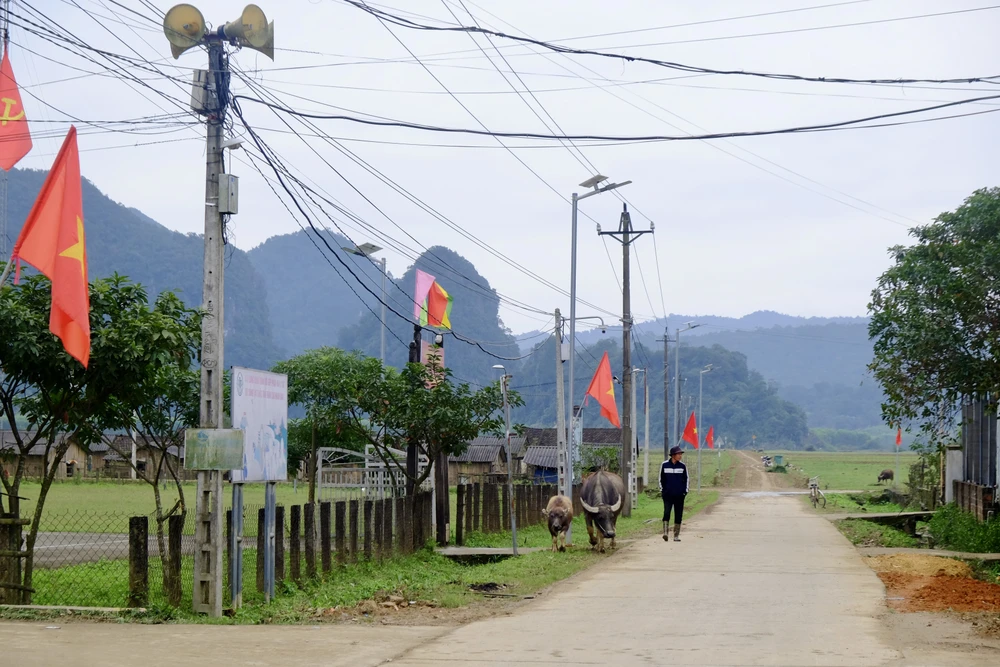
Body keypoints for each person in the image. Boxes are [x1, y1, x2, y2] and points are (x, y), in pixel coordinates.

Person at [659, 446, 689, 542]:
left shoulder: (683, 466)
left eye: (681, 454)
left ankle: (676, 535)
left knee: (678, 514)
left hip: (680, 495)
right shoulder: (664, 465)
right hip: (667, 495)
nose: (680, 456)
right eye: (678, 454)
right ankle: (665, 533)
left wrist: (685, 491)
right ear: (673, 455)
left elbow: (687, 479)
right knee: (666, 512)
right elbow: (660, 478)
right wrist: (662, 490)